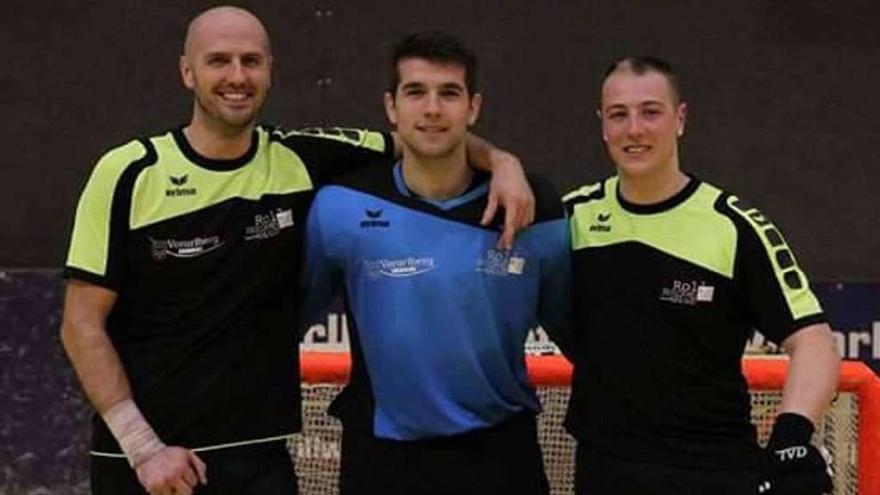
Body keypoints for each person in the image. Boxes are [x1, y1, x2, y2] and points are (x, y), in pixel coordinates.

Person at [60, 7, 535, 495]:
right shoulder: (129, 173)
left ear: (269, 70)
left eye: (251, 61)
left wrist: (502, 161)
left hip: (260, 458)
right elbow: (80, 324)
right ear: (187, 72)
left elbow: (426, 135)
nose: (237, 77)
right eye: (218, 61)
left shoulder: (301, 160)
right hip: (150, 466)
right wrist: (143, 448)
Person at [300, 31, 571, 495]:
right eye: (415, 92)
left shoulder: (534, 209)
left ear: (474, 107)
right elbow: (282, 319)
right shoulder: (340, 206)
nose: (431, 109)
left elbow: (579, 332)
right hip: (382, 462)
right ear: (391, 108)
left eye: (449, 93)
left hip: (502, 458)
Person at [562, 56, 841, 495]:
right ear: (603, 125)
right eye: (619, 115)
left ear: (680, 119)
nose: (634, 129)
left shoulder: (734, 226)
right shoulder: (570, 218)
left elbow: (814, 340)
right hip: (604, 469)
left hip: (714, 471)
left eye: (651, 111)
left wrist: (790, 437)